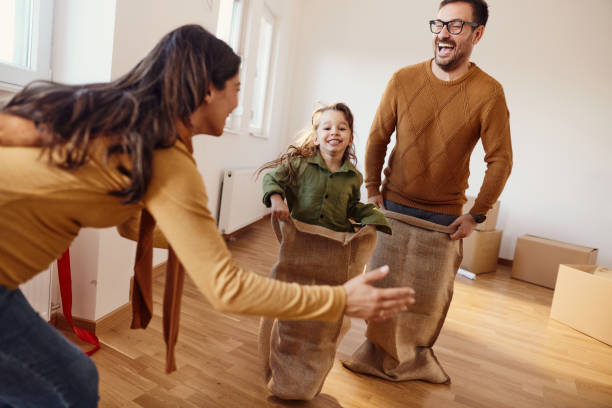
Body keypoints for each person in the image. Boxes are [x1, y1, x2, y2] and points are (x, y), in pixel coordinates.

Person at [0, 25, 416, 407]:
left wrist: (203, 244)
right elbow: (225, 291)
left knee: (73, 381)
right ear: (206, 92)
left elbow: (130, 221)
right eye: (235, 89)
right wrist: (340, 299)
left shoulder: (129, 125)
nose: (238, 102)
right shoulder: (163, 153)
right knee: (60, 392)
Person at [343, 0, 512, 382]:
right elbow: (376, 137)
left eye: (455, 25)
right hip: (393, 205)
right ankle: (374, 353)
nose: (443, 33)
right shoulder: (403, 79)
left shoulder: (489, 93)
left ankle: (415, 360)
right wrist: (372, 190)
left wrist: (477, 213)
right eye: (439, 23)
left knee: (425, 303)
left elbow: (500, 159)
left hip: (444, 217)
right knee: (383, 293)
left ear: (477, 34)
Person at [259, 102, 391, 234]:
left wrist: (375, 217)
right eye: (327, 128)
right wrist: (276, 200)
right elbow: (271, 178)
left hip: (335, 242)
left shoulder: (354, 177)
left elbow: (352, 207)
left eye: (342, 129)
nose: (334, 132)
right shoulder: (299, 164)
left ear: (350, 139)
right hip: (299, 237)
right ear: (316, 138)